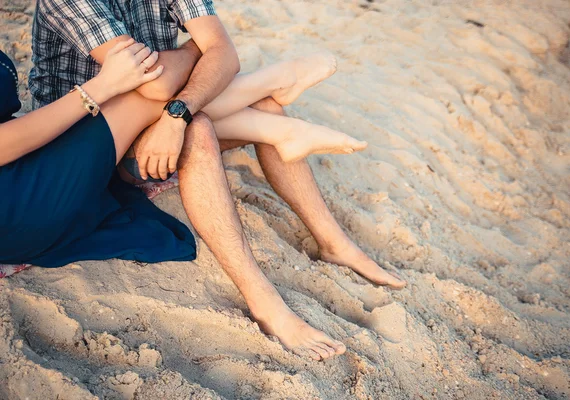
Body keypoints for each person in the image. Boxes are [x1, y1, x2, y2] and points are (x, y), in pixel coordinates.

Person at [29, 0, 407, 360]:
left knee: (263, 103)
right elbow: (155, 85)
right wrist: (197, 51)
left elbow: (225, 55)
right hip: (88, 144)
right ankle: (264, 301)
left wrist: (178, 111)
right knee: (200, 128)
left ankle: (334, 242)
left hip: (155, 114)